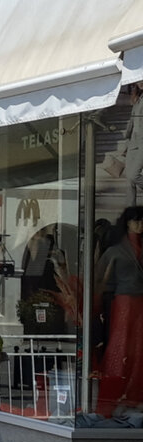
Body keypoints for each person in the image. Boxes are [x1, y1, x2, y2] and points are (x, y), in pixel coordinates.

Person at [97, 206, 143, 416]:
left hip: (139, 301)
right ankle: (114, 395)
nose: (140, 225)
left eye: (141, 221)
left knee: (139, 347)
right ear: (127, 222)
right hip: (123, 301)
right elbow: (100, 280)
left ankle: (134, 394)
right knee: (120, 345)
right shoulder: (115, 251)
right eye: (136, 221)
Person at [124, 83, 143, 206]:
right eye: (138, 81)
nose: (140, 83)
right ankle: (131, 214)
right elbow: (132, 121)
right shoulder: (137, 99)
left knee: (133, 175)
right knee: (128, 180)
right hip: (132, 142)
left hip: (142, 142)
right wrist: (127, 141)